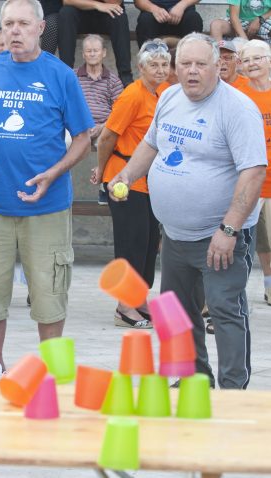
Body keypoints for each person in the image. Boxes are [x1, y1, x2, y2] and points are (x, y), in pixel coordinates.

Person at [109, 33, 266, 389]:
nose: (192, 72)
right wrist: (127, 173)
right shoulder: (169, 96)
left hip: (220, 236)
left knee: (226, 312)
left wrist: (228, 230)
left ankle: (232, 388)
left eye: (201, 64)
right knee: (178, 312)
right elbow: (151, 144)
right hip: (176, 234)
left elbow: (254, 171)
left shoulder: (238, 109)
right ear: (175, 67)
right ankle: (194, 379)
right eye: (185, 64)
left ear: (219, 67)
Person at [0, 0, 93, 383]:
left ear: (41, 27)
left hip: (47, 206)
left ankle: (52, 370)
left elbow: (83, 138)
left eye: (23, 23)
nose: (15, 30)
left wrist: (53, 174)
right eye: (8, 24)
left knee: (49, 292)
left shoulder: (61, 75)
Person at [91, 38, 171, 328]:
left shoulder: (163, 93)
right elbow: (107, 137)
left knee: (149, 243)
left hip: (151, 180)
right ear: (140, 68)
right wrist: (101, 172)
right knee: (131, 244)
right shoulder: (131, 96)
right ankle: (124, 307)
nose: (160, 70)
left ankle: (139, 299)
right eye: (154, 65)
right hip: (124, 177)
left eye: (164, 64)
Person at [238, 40, 271, 305]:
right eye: (247, 60)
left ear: (269, 60)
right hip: (248, 183)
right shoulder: (237, 93)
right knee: (247, 243)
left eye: (257, 58)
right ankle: (238, 294)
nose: (252, 64)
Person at [58, 0, 133, 86]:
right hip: (80, 13)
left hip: (107, 14)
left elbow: (116, 2)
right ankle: (65, 74)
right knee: (66, 13)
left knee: (119, 15)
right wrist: (97, 4)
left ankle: (125, 75)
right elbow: (67, 1)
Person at [76, 34, 124, 148]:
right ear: (83, 54)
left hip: (103, 129)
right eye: (88, 51)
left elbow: (120, 112)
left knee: (110, 142)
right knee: (64, 140)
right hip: (76, 128)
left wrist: (102, 127)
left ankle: (102, 167)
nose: (92, 54)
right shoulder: (72, 77)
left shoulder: (113, 81)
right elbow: (65, 106)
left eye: (96, 51)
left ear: (104, 53)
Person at [134, 0, 203, 47]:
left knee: (194, 19)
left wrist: (181, 6)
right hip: (153, 13)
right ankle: (148, 62)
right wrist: (154, 9)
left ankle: (190, 61)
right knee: (145, 21)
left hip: (183, 12)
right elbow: (138, 1)